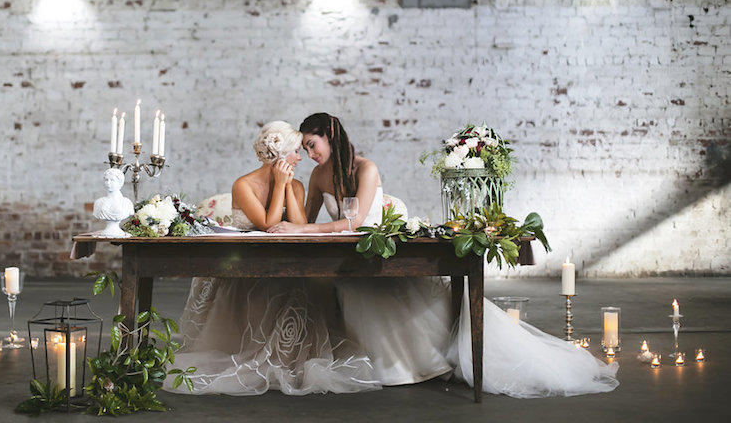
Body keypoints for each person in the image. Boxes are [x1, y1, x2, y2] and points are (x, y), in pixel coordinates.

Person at [289, 112, 620, 397]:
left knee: (373, 291)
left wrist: (302, 230)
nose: (309, 153)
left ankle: (417, 363)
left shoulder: (366, 168)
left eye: (312, 145)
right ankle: (380, 364)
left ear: (330, 137)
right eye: (304, 148)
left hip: (380, 252)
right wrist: (286, 186)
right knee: (344, 286)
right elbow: (304, 220)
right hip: (350, 257)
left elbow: (356, 222)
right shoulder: (317, 176)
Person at [166, 122, 379, 395]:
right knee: (265, 286)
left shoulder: (298, 185)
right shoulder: (243, 184)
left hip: (283, 262)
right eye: (296, 153)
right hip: (244, 263)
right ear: (281, 157)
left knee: (303, 284)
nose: (301, 158)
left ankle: (290, 358)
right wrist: (280, 184)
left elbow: (302, 226)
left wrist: (288, 187)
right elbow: (268, 224)